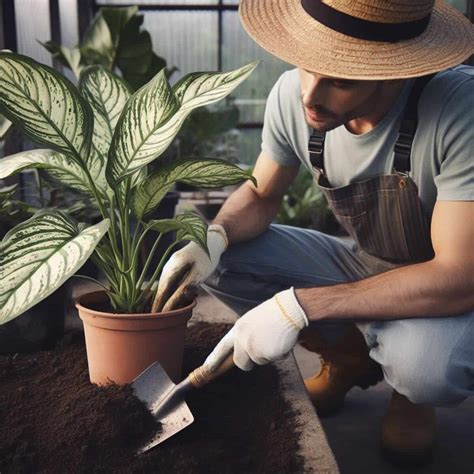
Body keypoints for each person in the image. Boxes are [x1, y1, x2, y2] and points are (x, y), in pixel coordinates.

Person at [154, 0, 474, 465]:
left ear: (395, 69)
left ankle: (408, 395)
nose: (310, 94)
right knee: (224, 263)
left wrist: (300, 306)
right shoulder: (294, 97)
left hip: (442, 285)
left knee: (428, 370)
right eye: (307, 65)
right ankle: (348, 357)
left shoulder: (458, 110)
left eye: (340, 79)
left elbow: (459, 275)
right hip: (363, 261)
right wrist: (215, 235)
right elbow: (262, 196)